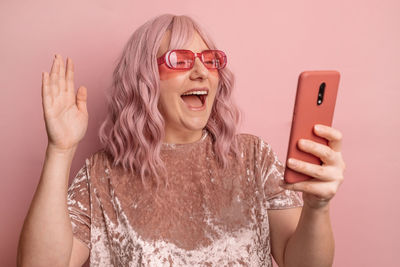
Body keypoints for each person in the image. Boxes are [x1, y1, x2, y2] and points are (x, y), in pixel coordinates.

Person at [17, 14, 346, 267]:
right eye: (180, 60)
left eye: (210, 60)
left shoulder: (253, 158)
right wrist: (59, 151)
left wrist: (318, 208)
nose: (202, 72)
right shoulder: (101, 175)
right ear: (144, 80)